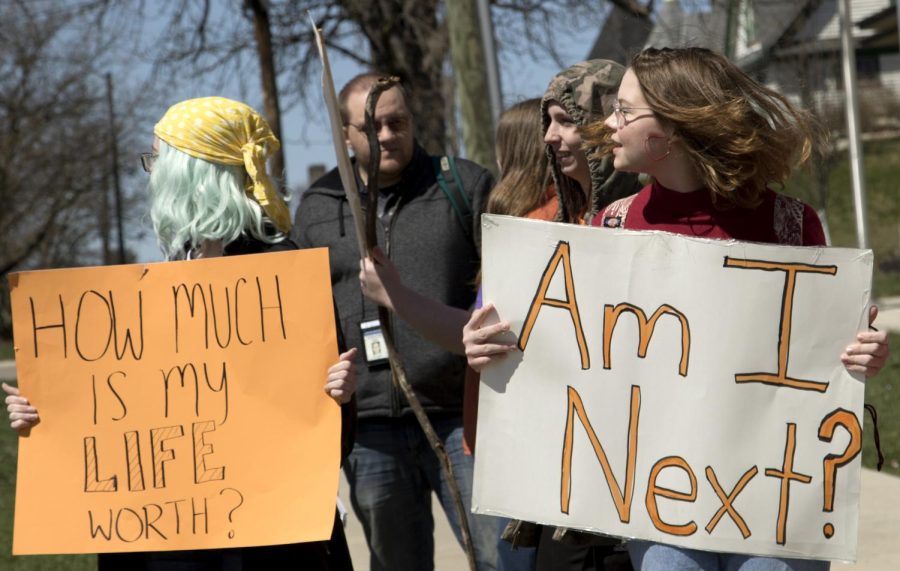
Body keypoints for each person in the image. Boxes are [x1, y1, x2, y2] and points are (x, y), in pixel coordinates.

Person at [4, 96, 358, 570]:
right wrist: (45, 416)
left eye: (158, 159)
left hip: (264, 542)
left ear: (191, 172)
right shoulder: (166, 277)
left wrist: (339, 397)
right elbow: (128, 415)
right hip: (169, 543)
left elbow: (332, 440)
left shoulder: (281, 275)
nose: (150, 174)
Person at [583, 45, 890, 571]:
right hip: (665, 492)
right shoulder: (610, 229)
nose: (610, 124)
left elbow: (825, 355)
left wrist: (862, 353)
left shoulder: (790, 226)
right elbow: (585, 355)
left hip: (776, 491)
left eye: (625, 110)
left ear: (674, 127)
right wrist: (497, 343)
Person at [292, 73, 497, 571]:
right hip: (371, 430)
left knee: (498, 559)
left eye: (397, 122)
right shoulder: (318, 208)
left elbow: (500, 297)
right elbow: (302, 316)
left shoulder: (463, 185)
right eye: (372, 127)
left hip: (461, 419)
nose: (387, 136)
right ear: (345, 135)